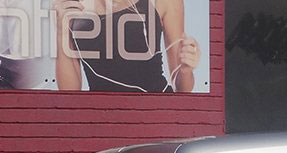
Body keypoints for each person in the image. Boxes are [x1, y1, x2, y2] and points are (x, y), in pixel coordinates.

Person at [54, 0, 200, 92]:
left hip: (156, 114)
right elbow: (69, 92)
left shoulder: (165, 1)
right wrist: (61, 32)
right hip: (100, 119)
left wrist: (186, 70)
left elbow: (182, 89)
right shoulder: (71, 3)